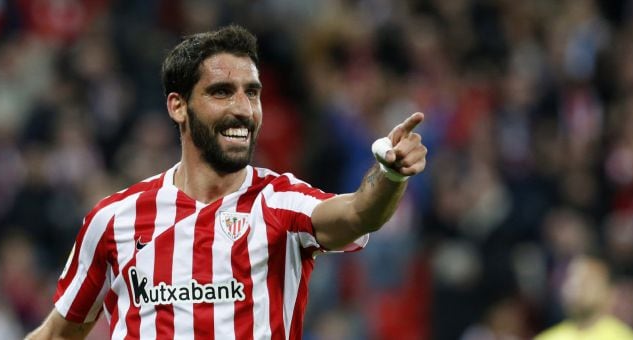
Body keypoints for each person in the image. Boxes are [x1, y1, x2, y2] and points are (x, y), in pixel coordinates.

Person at [26, 25, 427, 340]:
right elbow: (59, 334)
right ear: (178, 106)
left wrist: (390, 174)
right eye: (222, 92)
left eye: (251, 93)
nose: (243, 109)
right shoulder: (114, 220)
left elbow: (359, 212)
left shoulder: (279, 203)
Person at [535, 254, 633, 340]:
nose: (576, 288)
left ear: (608, 292)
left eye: (587, 281)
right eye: (572, 280)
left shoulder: (623, 337)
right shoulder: (548, 337)